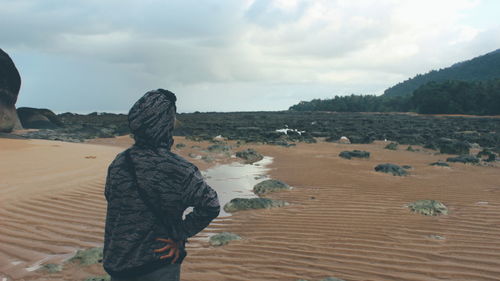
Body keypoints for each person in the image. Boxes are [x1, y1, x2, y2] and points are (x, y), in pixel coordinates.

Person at [103, 89, 220, 281]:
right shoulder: (179, 168)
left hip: (117, 263)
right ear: (166, 123)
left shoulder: (120, 162)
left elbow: (111, 198)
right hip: (156, 264)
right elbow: (211, 205)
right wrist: (179, 233)